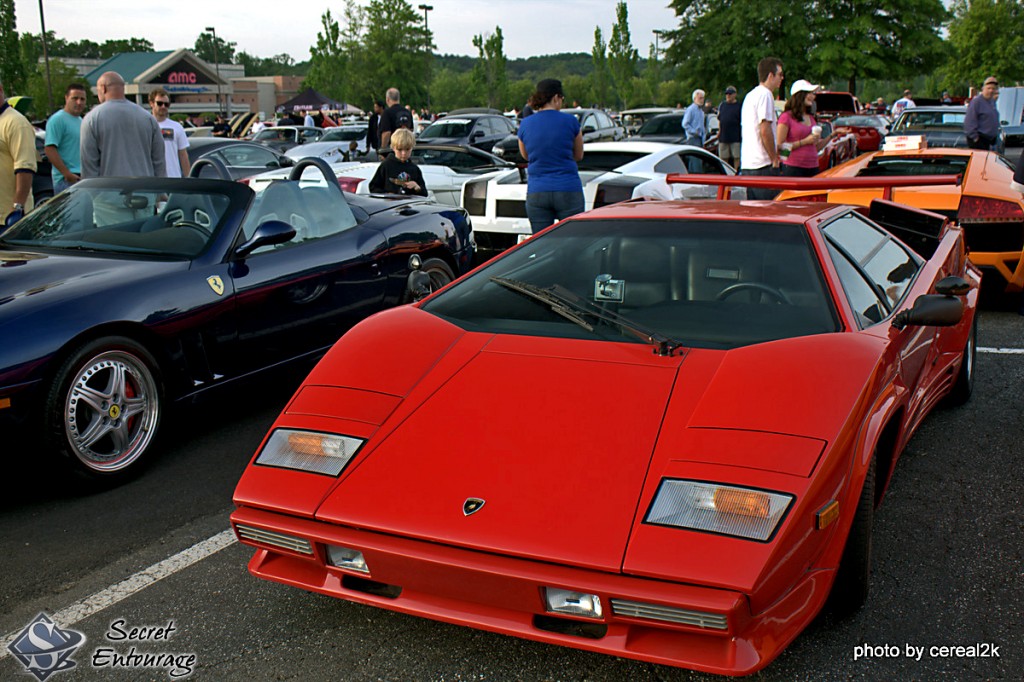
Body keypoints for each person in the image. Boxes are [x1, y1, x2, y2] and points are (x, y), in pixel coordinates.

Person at [516, 78, 584, 233]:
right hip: (568, 188)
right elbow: (579, 155)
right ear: (556, 98)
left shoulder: (525, 124)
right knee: (574, 240)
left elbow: (526, 156)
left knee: (541, 243)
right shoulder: (571, 121)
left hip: (537, 190)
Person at [80, 71, 164, 178]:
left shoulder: (92, 119)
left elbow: (89, 166)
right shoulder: (148, 118)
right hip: (145, 190)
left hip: (109, 191)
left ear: (103, 88)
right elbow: (159, 161)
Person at [740, 56, 784, 200]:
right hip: (763, 165)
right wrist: (774, 159)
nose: (782, 78)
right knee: (770, 212)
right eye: (780, 74)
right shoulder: (766, 95)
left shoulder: (750, 96)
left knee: (754, 213)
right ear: (770, 75)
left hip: (748, 164)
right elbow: (765, 130)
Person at [0, 79, 37, 227]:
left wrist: (17, 209)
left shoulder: (16, 122)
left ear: (1, 89)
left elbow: (25, 168)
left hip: (8, 220)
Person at [777, 79, 828, 178]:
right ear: (800, 95)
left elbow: (815, 147)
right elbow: (781, 149)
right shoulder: (786, 117)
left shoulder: (811, 118)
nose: (813, 96)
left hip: (813, 167)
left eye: (813, 93)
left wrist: (832, 136)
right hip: (793, 168)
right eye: (809, 93)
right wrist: (804, 142)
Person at [44, 83, 87, 194]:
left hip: (81, 178)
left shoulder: (81, 121)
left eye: (82, 99)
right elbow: (49, 149)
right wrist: (66, 174)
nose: (79, 102)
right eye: (75, 98)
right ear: (66, 98)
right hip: (66, 181)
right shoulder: (57, 120)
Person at [368, 128, 427, 196]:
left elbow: (424, 194)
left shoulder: (414, 169)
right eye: (399, 150)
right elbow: (373, 187)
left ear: (412, 148)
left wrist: (417, 187)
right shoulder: (386, 165)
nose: (403, 153)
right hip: (391, 205)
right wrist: (386, 195)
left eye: (407, 149)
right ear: (393, 148)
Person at [149, 88, 190, 177]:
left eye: (166, 104)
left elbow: (183, 155)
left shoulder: (177, 127)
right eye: (159, 103)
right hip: (151, 180)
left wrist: (188, 178)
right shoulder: (145, 125)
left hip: (173, 179)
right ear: (151, 103)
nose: (163, 106)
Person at [964, 76, 1001, 151]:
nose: (991, 91)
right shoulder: (976, 102)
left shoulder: (992, 102)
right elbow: (969, 122)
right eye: (989, 88)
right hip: (979, 141)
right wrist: (975, 138)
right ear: (983, 89)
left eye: (993, 89)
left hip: (990, 141)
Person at [716, 86, 742, 168]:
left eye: (730, 94)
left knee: (736, 157)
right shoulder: (722, 105)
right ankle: (725, 174)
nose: (728, 96)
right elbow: (720, 120)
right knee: (723, 157)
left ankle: (736, 173)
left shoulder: (739, 106)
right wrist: (719, 131)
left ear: (734, 94)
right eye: (727, 94)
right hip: (724, 136)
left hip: (735, 136)